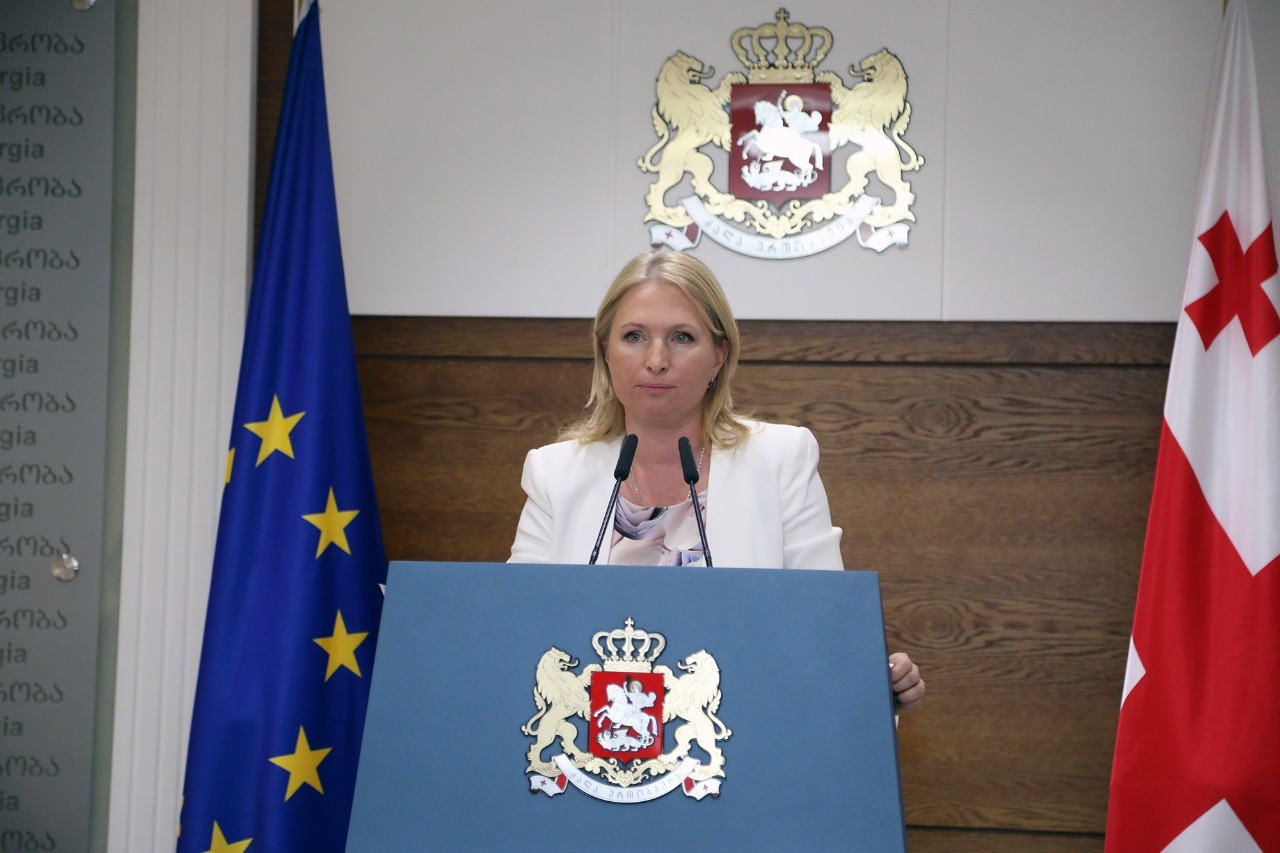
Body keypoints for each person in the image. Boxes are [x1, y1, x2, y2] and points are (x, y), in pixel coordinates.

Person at [509, 249, 924, 711]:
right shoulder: (554, 474)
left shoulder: (780, 461)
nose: (656, 359)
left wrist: (874, 685)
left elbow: (823, 628)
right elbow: (515, 637)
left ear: (718, 356)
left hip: (749, 727)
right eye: (634, 336)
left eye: (682, 337)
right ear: (605, 351)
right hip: (593, 738)